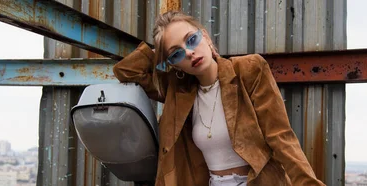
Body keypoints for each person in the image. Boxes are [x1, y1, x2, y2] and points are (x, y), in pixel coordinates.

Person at [113, 10, 325, 186]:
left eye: (192, 40)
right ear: (174, 65)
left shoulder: (249, 70)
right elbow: (127, 71)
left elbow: (280, 136)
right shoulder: (178, 92)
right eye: (177, 53)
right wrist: (159, 49)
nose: (189, 53)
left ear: (205, 36)